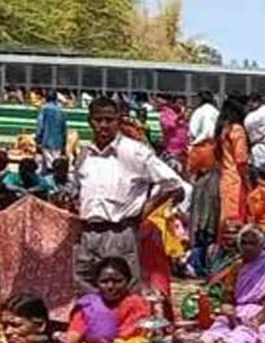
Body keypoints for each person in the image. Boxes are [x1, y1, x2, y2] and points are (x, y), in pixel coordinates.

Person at [72, 96, 184, 292]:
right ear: (90, 121)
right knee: (84, 290)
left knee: (121, 292)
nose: (104, 125)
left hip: (120, 233)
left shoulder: (135, 152)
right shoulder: (84, 155)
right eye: (98, 120)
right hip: (88, 234)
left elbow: (173, 184)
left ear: (118, 120)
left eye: (109, 119)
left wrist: (147, 209)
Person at [178, 227, 265, 343]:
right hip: (239, 310)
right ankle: (203, 342)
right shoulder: (237, 265)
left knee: (248, 330)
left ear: (261, 245)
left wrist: (263, 314)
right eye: (244, 243)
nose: (248, 247)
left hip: (262, 310)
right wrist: (226, 306)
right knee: (221, 321)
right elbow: (228, 293)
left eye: (252, 243)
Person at [217, 97, 251, 227]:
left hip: (224, 177)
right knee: (236, 217)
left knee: (224, 217)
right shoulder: (237, 129)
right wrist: (247, 180)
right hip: (236, 179)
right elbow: (241, 159)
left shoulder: (222, 129)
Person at [187, 91, 221, 177]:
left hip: (199, 146)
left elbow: (196, 130)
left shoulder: (199, 111)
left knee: (194, 177)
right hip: (213, 147)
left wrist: (194, 142)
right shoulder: (216, 112)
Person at [34, 91, 67, 170]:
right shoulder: (60, 111)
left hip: (47, 142)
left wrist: (38, 139)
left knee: (49, 167)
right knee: (56, 165)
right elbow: (64, 128)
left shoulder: (44, 110)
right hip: (58, 143)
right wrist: (64, 142)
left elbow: (40, 126)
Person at [159, 96, 190, 167]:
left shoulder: (183, 114)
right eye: (179, 103)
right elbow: (167, 126)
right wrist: (178, 118)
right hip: (171, 148)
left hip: (183, 149)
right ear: (173, 103)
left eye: (183, 103)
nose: (181, 105)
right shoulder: (165, 113)